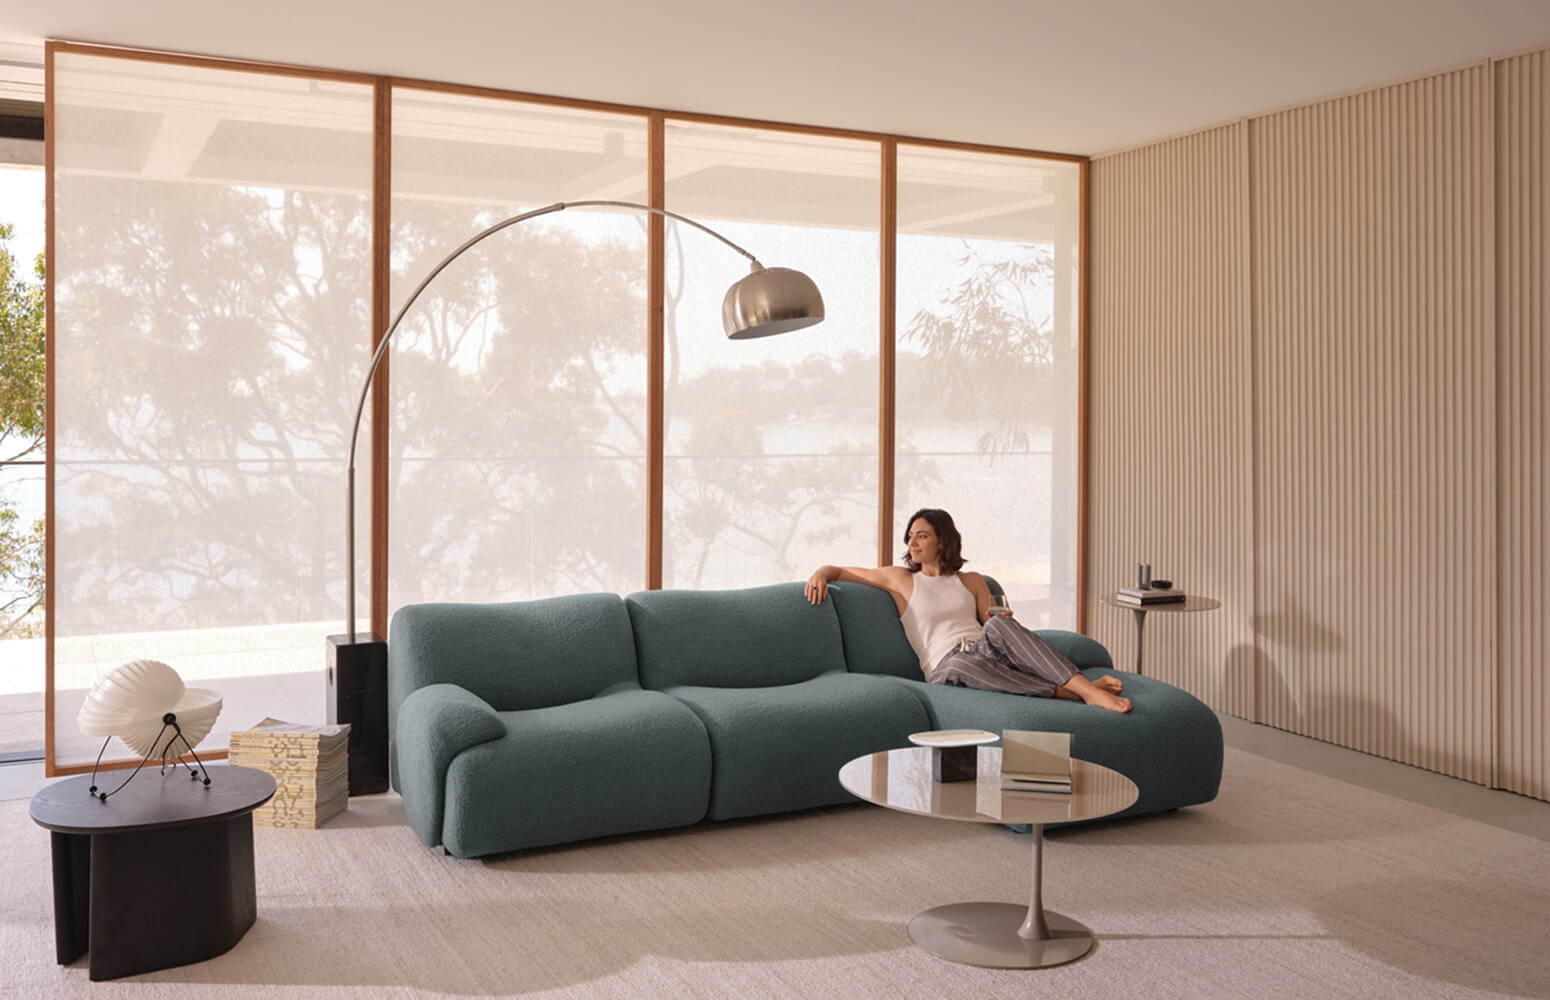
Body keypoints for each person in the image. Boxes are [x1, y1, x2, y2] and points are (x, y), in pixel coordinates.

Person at [804, 508, 1131, 712]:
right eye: (910, 537)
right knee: (961, 663)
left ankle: (1086, 691)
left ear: (942, 541)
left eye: (922, 535)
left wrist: (1005, 623)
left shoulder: (972, 580)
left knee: (998, 627)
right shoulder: (900, 579)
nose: (912, 543)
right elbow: (842, 571)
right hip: (949, 667)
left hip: (988, 654)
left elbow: (994, 623)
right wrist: (821, 572)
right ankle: (1073, 692)